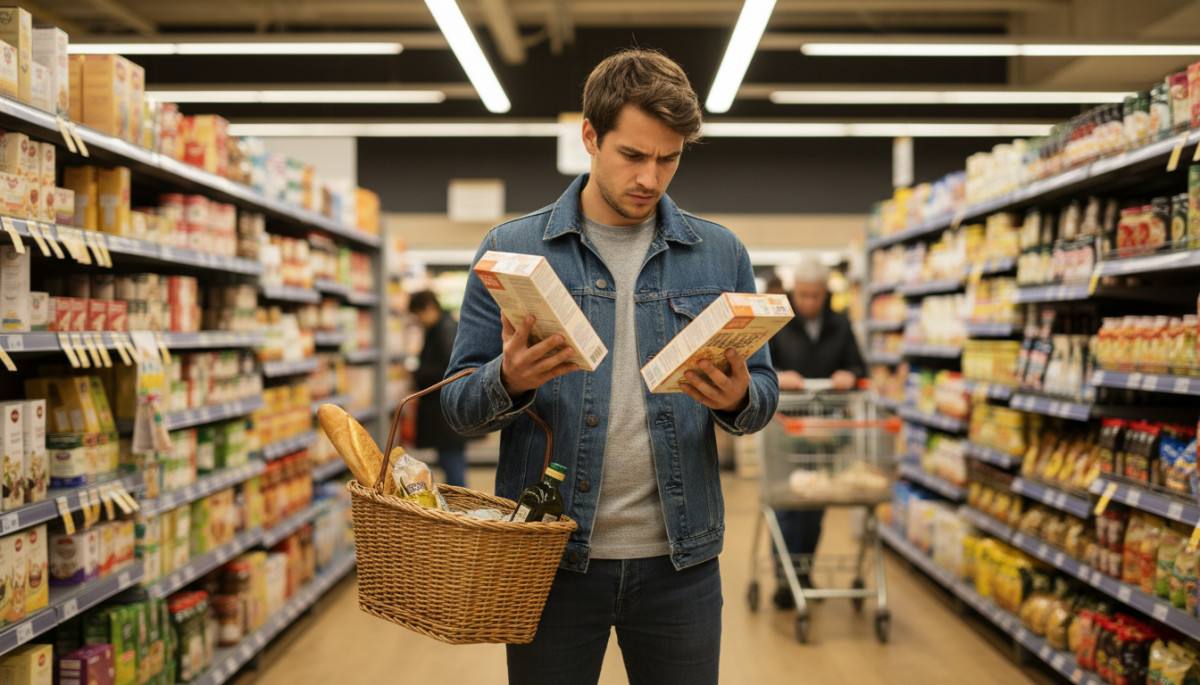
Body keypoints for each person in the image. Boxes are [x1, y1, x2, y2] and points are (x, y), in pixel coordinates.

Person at [441, 49, 778, 685]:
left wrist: (737, 399)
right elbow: (456, 404)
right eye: (633, 155)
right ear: (590, 137)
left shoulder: (720, 253)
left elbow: (763, 393)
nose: (651, 177)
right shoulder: (511, 248)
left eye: (669, 158)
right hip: (549, 559)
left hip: (682, 565)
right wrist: (508, 380)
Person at [766, 257, 867, 609]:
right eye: (804, 294)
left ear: (826, 293)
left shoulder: (840, 324)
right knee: (787, 502)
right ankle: (784, 577)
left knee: (815, 503)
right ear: (795, 291)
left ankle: (803, 572)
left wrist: (849, 375)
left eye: (816, 295)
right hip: (786, 426)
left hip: (826, 426)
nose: (809, 302)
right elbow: (759, 365)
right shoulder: (779, 321)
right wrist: (777, 375)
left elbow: (857, 364)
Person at [408, 290, 468, 487]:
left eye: (419, 315)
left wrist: (418, 374)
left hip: (446, 414)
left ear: (430, 308)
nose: (419, 321)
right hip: (444, 413)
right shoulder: (441, 328)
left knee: (452, 465)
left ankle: (458, 515)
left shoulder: (445, 330)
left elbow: (448, 369)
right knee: (449, 462)